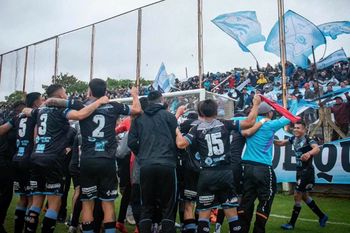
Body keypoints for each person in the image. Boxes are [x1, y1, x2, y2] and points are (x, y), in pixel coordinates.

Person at [23, 84, 109, 233]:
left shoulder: (40, 110)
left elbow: (26, 110)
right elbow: (80, 115)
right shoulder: (60, 109)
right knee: (54, 203)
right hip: (52, 159)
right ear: (60, 96)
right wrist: (99, 102)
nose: (66, 95)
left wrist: (32, 107)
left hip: (36, 157)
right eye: (65, 93)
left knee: (36, 203)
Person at [176, 96, 261, 233]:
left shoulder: (196, 129)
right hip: (225, 173)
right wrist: (256, 104)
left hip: (207, 175)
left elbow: (181, 144)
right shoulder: (225, 124)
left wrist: (176, 131)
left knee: (204, 214)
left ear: (200, 113)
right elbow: (250, 122)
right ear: (216, 112)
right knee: (231, 213)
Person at [238, 97, 298, 233]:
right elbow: (290, 117)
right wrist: (294, 102)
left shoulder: (249, 123)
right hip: (263, 168)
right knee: (266, 199)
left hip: (247, 167)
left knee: (247, 199)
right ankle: (259, 230)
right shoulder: (270, 124)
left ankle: (242, 230)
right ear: (269, 113)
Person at [128, 91, 179, 233]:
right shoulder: (169, 117)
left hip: (147, 165)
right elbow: (178, 140)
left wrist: (142, 154)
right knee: (168, 207)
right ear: (161, 100)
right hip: (167, 165)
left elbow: (131, 142)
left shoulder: (139, 119)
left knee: (147, 206)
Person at [274, 121, 328, 230]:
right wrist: (269, 138)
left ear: (304, 130)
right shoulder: (293, 139)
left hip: (307, 172)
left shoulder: (309, 139)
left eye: (298, 128)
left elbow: (317, 148)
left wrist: (308, 154)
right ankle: (322, 216)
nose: (295, 129)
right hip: (299, 171)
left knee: (297, 195)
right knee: (304, 196)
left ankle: (291, 224)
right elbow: (280, 143)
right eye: (294, 128)